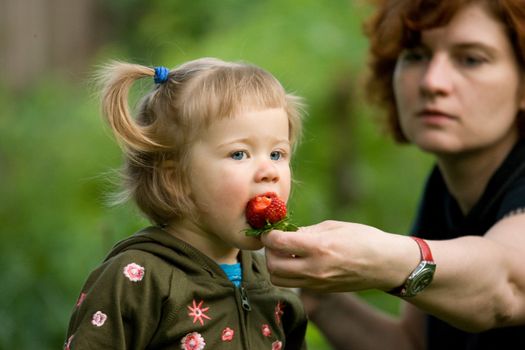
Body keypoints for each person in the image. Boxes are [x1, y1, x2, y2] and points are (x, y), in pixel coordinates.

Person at [261, 0, 525, 349]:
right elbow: (413, 344)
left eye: (470, 59)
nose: (433, 82)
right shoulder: (445, 187)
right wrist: (305, 291)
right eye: (415, 55)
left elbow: (504, 287)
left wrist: (381, 258)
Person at [64, 58, 308, 350]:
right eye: (240, 154)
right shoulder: (136, 280)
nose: (269, 171)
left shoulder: (274, 283)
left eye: (277, 154)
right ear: (176, 178)